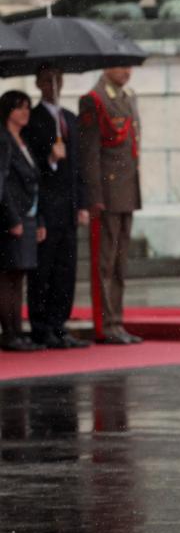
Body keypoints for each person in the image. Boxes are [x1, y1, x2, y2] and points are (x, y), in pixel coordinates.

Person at [25, 66, 90, 349]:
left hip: (69, 208)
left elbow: (79, 166)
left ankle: (59, 324)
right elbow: (30, 166)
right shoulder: (32, 120)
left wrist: (82, 203)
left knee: (66, 270)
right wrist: (50, 158)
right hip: (46, 207)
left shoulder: (70, 119)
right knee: (43, 271)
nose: (54, 85)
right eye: (48, 80)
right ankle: (41, 327)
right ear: (39, 83)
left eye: (58, 79)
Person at [79, 66, 143, 344]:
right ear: (107, 67)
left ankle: (117, 320)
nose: (127, 71)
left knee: (119, 264)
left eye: (129, 66)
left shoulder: (128, 96)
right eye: (121, 65)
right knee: (104, 263)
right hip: (107, 193)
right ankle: (104, 324)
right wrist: (94, 197)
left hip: (127, 190)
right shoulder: (93, 100)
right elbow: (91, 153)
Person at [1, 91, 49, 352]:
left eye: (28, 107)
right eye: (20, 108)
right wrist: (12, 218)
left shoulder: (23, 141)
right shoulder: (4, 141)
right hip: (13, 217)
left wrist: (39, 219)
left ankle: (18, 331)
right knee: (8, 276)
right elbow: (3, 184)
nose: (25, 112)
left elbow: (34, 184)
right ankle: (10, 333)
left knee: (18, 275)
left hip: (29, 214)